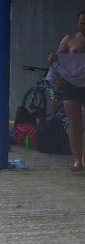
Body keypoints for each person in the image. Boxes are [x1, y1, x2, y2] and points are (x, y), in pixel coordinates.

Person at [47, 10, 85, 171]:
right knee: (74, 122)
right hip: (72, 84)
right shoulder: (69, 39)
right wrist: (52, 57)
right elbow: (57, 57)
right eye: (82, 23)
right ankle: (77, 160)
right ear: (78, 23)